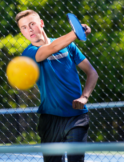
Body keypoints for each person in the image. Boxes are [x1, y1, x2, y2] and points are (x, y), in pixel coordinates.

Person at [15, 10, 98, 162]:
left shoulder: (69, 46)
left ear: (41, 23)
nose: (29, 29)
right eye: (24, 27)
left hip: (77, 116)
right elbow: (52, 48)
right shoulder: (29, 53)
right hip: (50, 119)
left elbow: (92, 73)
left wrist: (84, 97)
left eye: (32, 24)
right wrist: (77, 32)